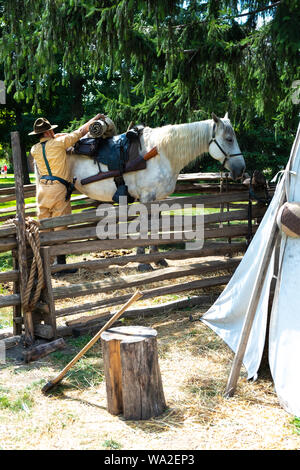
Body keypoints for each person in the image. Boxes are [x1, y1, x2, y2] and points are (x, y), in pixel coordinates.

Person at [29, 114, 103, 274]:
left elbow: (54, 140)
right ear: (49, 132)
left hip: (42, 191)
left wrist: (55, 136)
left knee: (44, 227)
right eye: (52, 131)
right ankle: (61, 265)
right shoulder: (59, 143)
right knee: (61, 225)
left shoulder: (34, 149)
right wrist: (94, 119)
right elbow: (81, 132)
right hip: (58, 189)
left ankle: (45, 266)